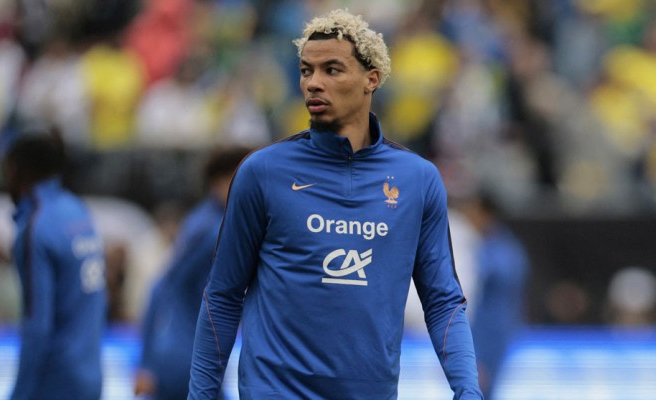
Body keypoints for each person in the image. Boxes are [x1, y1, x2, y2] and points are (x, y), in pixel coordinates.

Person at [188, 9, 483, 399]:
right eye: (306, 71)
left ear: (371, 79)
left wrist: (468, 390)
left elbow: (443, 301)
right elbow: (222, 296)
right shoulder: (263, 172)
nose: (313, 83)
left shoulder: (418, 179)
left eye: (332, 70)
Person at [134, 146, 250, 399]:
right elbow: (163, 286)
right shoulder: (209, 229)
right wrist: (146, 363)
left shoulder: (211, 221)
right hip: (185, 355)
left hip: (199, 351)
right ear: (218, 182)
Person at [1, 133, 106, 400]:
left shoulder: (35, 227)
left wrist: (20, 394)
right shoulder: (77, 210)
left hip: (55, 381)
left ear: (20, 172)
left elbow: (37, 326)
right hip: (91, 374)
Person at [457, 191, 529, 400]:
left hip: (489, 336)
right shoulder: (498, 247)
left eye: (472, 211)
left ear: (484, 213)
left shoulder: (499, 251)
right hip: (489, 334)